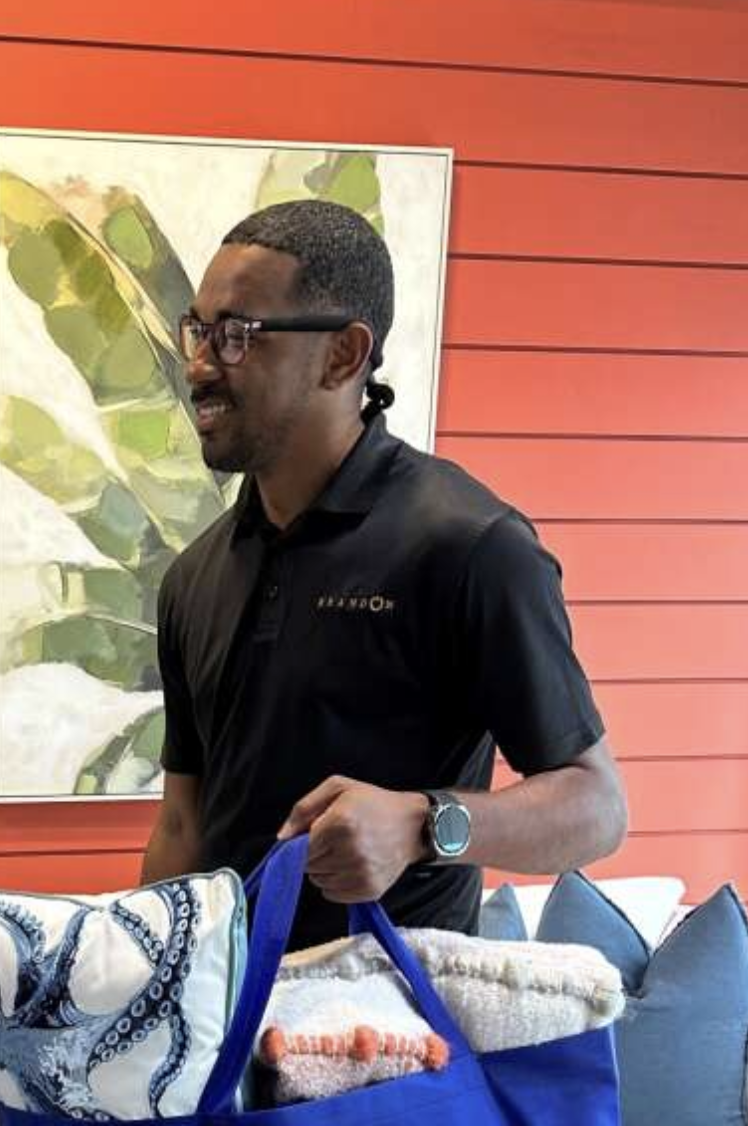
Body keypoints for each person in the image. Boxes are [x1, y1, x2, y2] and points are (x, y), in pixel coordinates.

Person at [140, 200, 628, 950]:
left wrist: (422, 823)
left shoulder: (472, 546)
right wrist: (147, 979)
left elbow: (597, 807)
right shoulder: (193, 578)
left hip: (395, 1009)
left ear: (343, 355)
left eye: (238, 335)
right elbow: (182, 823)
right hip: (229, 1006)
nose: (201, 364)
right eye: (198, 331)